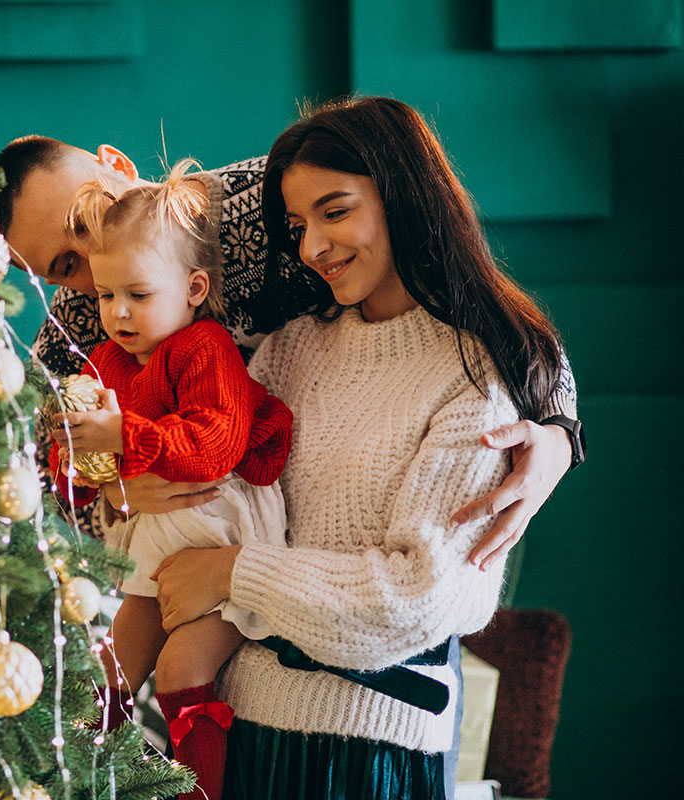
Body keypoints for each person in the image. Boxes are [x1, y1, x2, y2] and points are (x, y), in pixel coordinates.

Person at [136, 96, 575, 798]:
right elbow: (222, 493)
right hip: (240, 736)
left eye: (335, 213)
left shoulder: (475, 375)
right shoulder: (288, 349)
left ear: (404, 197)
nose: (311, 247)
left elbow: (414, 601)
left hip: (371, 753)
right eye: (297, 225)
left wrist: (234, 574)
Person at [46, 161, 294, 800]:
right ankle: (90, 783)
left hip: (222, 532)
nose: (116, 312)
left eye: (138, 294)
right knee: (110, 671)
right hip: (156, 545)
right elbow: (72, 462)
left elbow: (214, 446)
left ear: (193, 287)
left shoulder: (205, 349)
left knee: (183, 664)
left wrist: (125, 442)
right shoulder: (103, 361)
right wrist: (81, 465)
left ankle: (198, 791)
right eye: (104, 296)